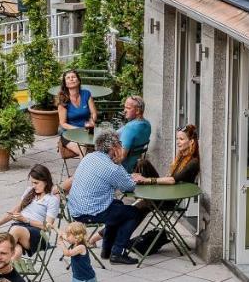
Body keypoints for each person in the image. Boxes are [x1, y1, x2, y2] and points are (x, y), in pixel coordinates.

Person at [65, 131, 142, 265]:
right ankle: (117, 253)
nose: (121, 147)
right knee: (134, 213)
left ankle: (107, 250)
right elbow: (128, 187)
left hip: (75, 208)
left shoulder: (90, 157)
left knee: (117, 206)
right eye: (120, 144)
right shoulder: (112, 168)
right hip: (89, 212)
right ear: (113, 148)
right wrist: (119, 162)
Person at [130, 124, 201, 257]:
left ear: (191, 141)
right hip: (166, 193)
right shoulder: (181, 157)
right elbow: (169, 178)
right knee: (142, 163)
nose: (178, 142)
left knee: (136, 209)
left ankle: (111, 238)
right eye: (177, 139)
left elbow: (172, 180)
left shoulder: (193, 162)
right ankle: (137, 190)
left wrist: (147, 180)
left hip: (170, 200)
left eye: (181, 139)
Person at [0, 164, 58, 258]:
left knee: (13, 233)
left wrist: (26, 220)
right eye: (32, 183)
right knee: (16, 252)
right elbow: (14, 211)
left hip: (38, 234)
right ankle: (7, 270)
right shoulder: (30, 191)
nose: (33, 186)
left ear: (46, 181)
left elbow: (48, 226)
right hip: (20, 228)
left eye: (36, 183)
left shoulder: (52, 200)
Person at [56, 70, 98, 161]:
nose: (71, 79)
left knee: (104, 146)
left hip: (88, 132)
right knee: (83, 149)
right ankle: (84, 174)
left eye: (73, 77)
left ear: (78, 80)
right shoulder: (63, 99)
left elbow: (94, 113)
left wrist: (92, 120)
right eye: (68, 78)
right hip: (69, 134)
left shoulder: (86, 94)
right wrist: (78, 130)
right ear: (65, 83)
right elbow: (63, 123)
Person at [117, 95, 152, 172]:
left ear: (137, 111)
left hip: (123, 169)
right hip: (135, 166)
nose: (124, 110)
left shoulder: (130, 128)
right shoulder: (147, 124)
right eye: (125, 107)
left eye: (128, 108)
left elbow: (121, 156)